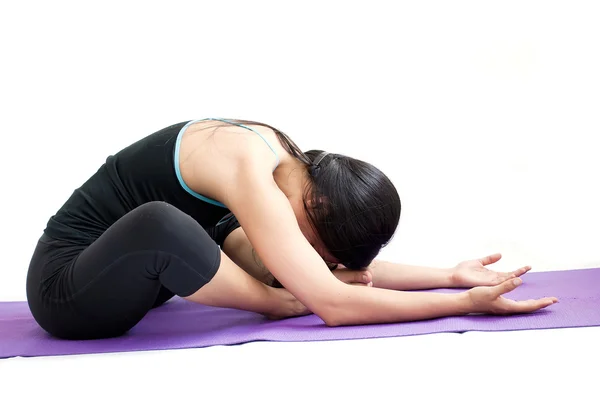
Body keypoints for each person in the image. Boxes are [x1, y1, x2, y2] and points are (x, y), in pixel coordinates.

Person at [26, 118, 558, 340]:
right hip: (67, 291)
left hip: (135, 285)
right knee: (165, 221)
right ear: (322, 201)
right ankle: (275, 301)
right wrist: (464, 306)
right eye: (315, 247)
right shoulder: (246, 163)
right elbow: (335, 302)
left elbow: (335, 275)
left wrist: (448, 275)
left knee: (240, 239)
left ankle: (277, 292)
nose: (308, 254)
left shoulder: (291, 170)